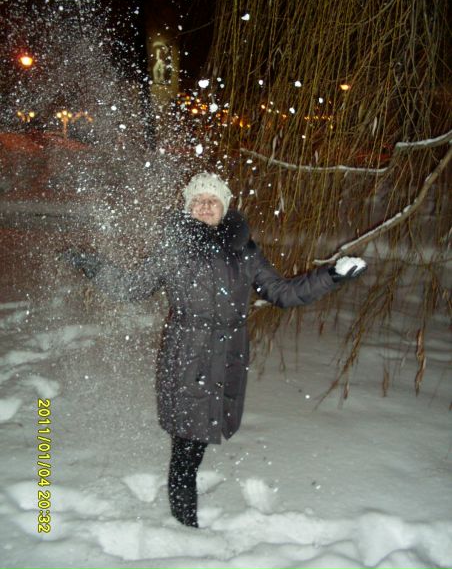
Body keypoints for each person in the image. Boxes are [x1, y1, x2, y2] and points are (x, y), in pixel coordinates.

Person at [63, 171, 367, 528]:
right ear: (189, 208)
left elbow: (282, 293)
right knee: (187, 448)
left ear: (224, 207)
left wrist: (331, 276)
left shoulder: (245, 252)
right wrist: (94, 267)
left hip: (228, 357)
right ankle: (183, 525)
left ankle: (184, 520)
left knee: (196, 445)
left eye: (213, 200)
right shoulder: (173, 249)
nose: (206, 206)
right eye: (198, 200)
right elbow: (131, 287)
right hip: (187, 357)